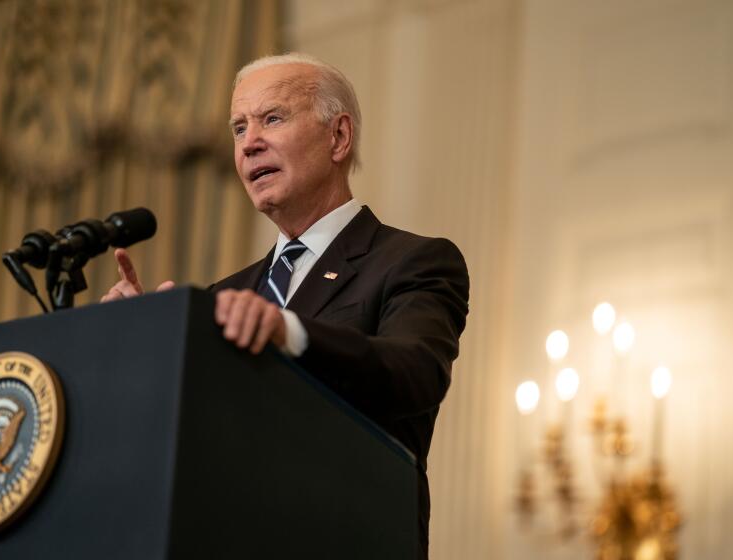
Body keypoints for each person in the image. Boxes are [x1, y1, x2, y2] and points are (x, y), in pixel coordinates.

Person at [101, 52, 469, 559]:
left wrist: (289, 333)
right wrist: (144, 346)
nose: (250, 142)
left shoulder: (413, 261)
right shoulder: (220, 299)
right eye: (238, 128)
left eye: (272, 118)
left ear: (338, 137)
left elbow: (414, 374)